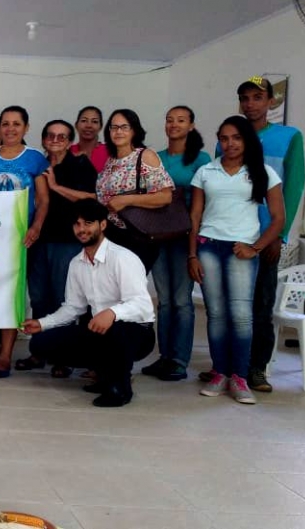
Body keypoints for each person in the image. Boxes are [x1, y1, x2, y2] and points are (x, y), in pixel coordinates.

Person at [22, 199, 156, 407]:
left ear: (103, 225)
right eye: (77, 224)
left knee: (114, 329)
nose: (82, 229)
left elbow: (143, 305)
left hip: (137, 332)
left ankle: (120, 387)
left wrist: (112, 312)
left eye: (88, 223)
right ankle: (105, 375)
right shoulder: (76, 263)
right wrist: (42, 324)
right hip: (101, 331)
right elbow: (72, 308)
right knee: (40, 343)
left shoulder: (122, 258)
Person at [190, 116, 284, 404]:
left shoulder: (263, 172)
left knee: (242, 316)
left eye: (236, 138)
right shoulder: (206, 171)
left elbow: (278, 218)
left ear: (247, 141)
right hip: (208, 247)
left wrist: (255, 248)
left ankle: (240, 377)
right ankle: (220, 372)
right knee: (216, 314)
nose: (230, 144)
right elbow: (195, 215)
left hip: (241, 250)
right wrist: (192, 253)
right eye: (224, 138)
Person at [235, 76, 305, 393]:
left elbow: (294, 186)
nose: (251, 104)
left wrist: (280, 234)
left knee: (261, 306)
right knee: (233, 305)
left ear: (271, 102)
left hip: (267, 236)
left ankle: (257, 369)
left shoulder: (289, 137)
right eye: (245, 98)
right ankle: (230, 365)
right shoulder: (232, 137)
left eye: (257, 97)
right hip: (234, 235)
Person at [0, 106, 49, 379]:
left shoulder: (35, 159)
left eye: (17, 124)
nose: (10, 129)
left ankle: (5, 356)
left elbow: (44, 200)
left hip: (20, 240)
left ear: (26, 128)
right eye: (5, 124)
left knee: (11, 299)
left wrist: (36, 227)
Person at [15, 120, 97, 378]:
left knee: (65, 299)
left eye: (62, 136)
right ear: (43, 139)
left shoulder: (80, 164)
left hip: (67, 241)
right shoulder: (36, 164)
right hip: (36, 239)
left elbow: (92, 198)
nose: (55, 140)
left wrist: (56, 188)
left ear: (69, 140)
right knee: (39, 298)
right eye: (50, 135)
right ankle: (40, 351)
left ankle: (64, 356)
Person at [141, 106, 211, 382]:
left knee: (182, 300)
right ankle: (164, 357)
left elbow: (203, 201)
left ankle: (180, 360)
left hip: (185, 236)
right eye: (169, 120)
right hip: (157, 234)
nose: (174, 125)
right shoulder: (154, 157)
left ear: (191, 125)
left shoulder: (201, 158)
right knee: (165, 301)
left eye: (181, 120)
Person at [95, 108, 174, 273]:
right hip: (110, 234)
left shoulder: (144, 156)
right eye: (114, 127)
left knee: (129, 291)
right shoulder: (111, 161)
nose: (118, 131)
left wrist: (126, 200)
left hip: (136, 235)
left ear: (134, 131)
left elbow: (165, 196)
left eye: (125, 127)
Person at [72, 106, 109, 172]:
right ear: (76, 125)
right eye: (84, 121)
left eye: (94, 122)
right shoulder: (67, 151)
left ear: (100, 127)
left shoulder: (110, 151)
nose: (89, 125)